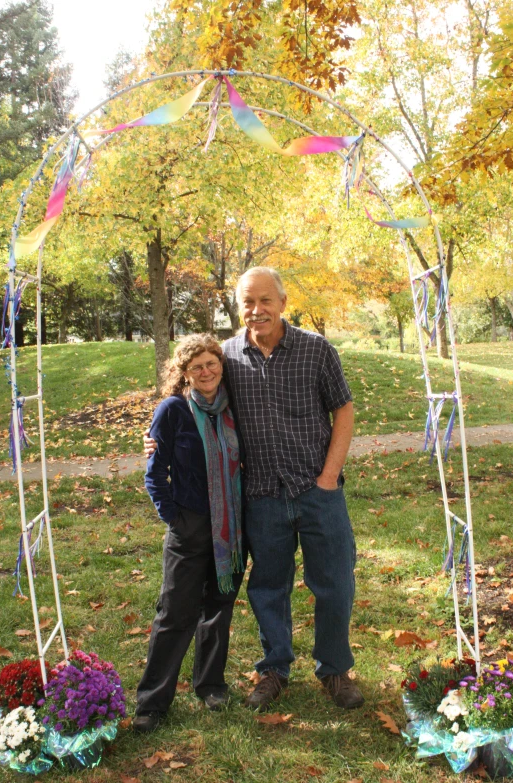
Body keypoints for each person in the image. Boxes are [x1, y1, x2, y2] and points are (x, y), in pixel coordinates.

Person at [145, 268, 363, 713]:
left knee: (335, 583)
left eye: (265, 301)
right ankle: (274, 670)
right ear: (239, 307)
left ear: (283, 302)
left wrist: (328, 476)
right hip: (260, 497)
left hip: (317, 490)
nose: (256, 310)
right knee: (267, 588)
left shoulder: (316, 350)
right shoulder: (226, 357)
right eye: (248, 302)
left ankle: (334, 669)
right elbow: (194, 403)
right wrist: (155, 438)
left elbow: (343, 409)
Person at [133, 334, 245, 733]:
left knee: (219, 607)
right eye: (196, 366)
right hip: (190, 525)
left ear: (221, 364)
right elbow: (154, 473)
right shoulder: (173, 411)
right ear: (183, 374)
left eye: (212, 363)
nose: (206, 372)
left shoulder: (235, 408)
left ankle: (210, 684)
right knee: (175, 612)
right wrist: (174, 518)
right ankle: (152, 701)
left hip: (231, 527)